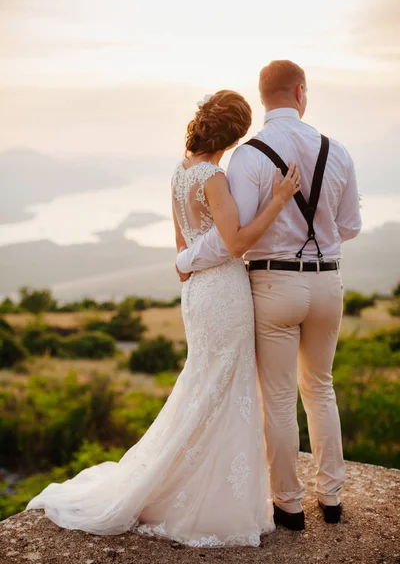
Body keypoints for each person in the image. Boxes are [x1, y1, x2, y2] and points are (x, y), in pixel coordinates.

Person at [26, 89, 300, 547]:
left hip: (196, 292)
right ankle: (210, 502)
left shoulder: (180, 172)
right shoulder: (214, 176)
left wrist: (189, 270)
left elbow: (181, 247)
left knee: (205, 383)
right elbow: (236, 245)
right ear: (233, 135)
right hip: (224, 293)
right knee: (224, 387)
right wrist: (278, 199)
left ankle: (188, 483)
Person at [176, 62, 362, 531]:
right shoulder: (335, 151)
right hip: (326, 282)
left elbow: (228, 238)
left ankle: (289, 505)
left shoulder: (248, 157)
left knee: (278, 398)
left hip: (273, 284)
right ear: (301, 93)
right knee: (321, 388)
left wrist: (185, 261)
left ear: (263, 98)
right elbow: (350, 227)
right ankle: (333, 497)